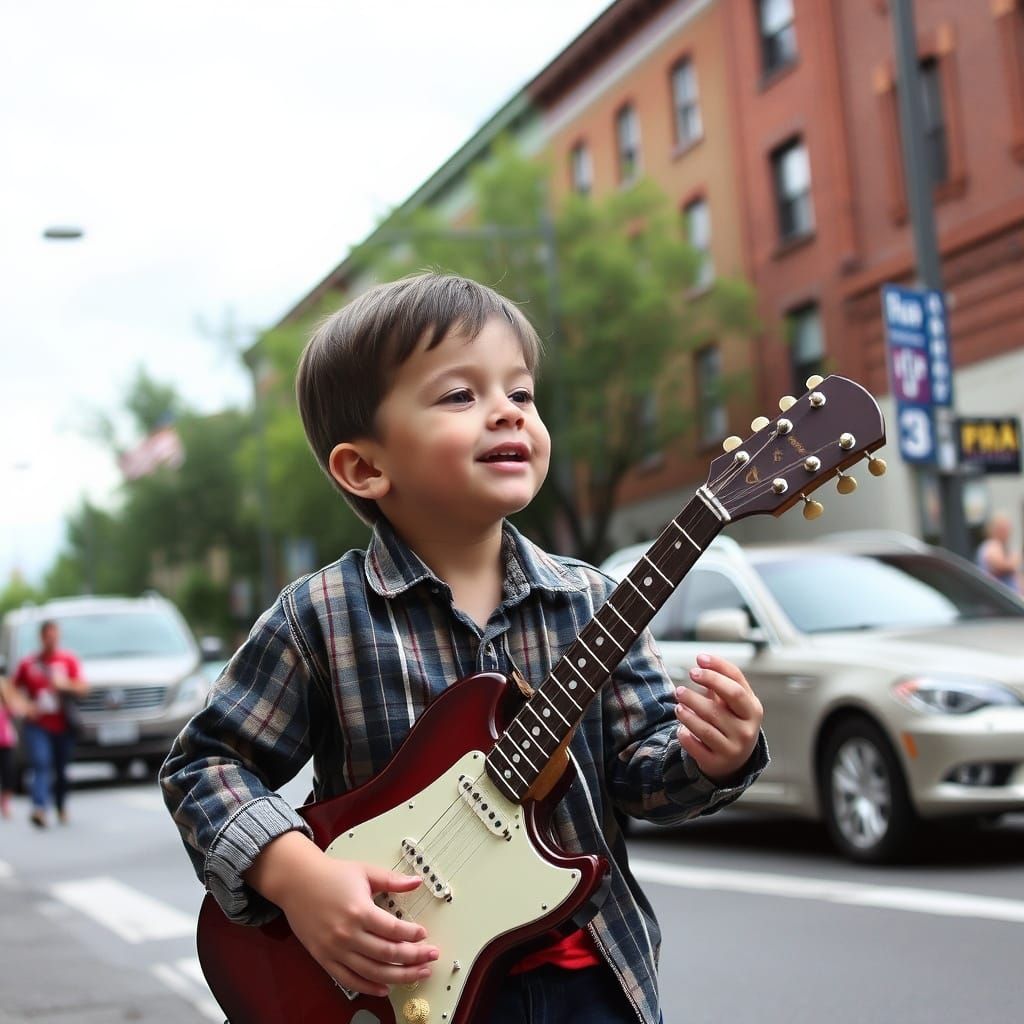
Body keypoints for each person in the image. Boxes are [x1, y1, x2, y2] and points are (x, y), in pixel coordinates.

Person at [160, 272, 768, 1024]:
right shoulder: (321, 616)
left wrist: (715, 758)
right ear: (365, 467)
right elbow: (206, 765)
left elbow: (643, 779)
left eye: (522, 393)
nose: (508, 414)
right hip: (400, 984)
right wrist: (299, 879)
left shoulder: (593, 602)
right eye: (460, 396)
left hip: (591, 980)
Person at [10, 619, 88, 827]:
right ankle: (39, 808)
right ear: (41, 637)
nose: (51, 640)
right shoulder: (29, 664)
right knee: (41, 762)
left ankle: (61, 806)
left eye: (54, 635)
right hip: (38, 724)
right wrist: (26, 707)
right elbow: (11, 691)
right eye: (47, 636)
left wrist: (65, 685)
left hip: (62, 724)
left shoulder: (67, 660)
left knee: (61, 769)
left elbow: (83, 688)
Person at [976, 512, 1022, 593]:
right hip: (997, 601)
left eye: (1008, 528)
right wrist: (1015, 560)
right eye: (1004, 528)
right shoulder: (992, 545)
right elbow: (1001, 565)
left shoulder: (1003, 547)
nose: (1007, 532)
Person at [0, 674, 18, 819]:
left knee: (8, 774)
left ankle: (5, 802)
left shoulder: (6, 705)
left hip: (6, 743)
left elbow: (17, 711)